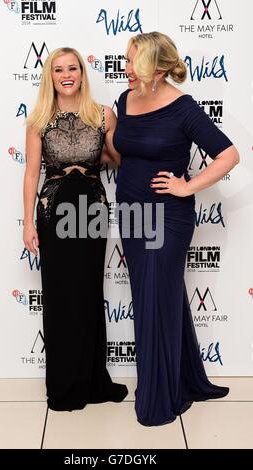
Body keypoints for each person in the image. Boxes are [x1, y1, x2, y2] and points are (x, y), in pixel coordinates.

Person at [113, 32, 239, 426]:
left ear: (159, 67)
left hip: (168, 215)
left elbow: (229, 154)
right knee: (158, 296)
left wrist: (186, 185)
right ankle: (186, 377)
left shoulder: (183, 108)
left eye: (134, 62)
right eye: (127, 60)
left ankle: (158, 398)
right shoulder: (125, 99)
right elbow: (123, 151)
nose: (127, 68)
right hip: (131, 213)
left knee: (154, 299)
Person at [23, 47, 128, 411]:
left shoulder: (102, 115)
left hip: (91, 210)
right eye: (58, 70)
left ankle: (94, 381)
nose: (66, 75)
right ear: (50, 77)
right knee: (59, 295)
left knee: (87, 292)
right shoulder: (38, 118)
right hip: (53, 210)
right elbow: (31, 172)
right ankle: (64, 386)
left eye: (72, 68)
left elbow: (116, 159)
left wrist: (103, 151)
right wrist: (26, 223)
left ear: (82, 74)